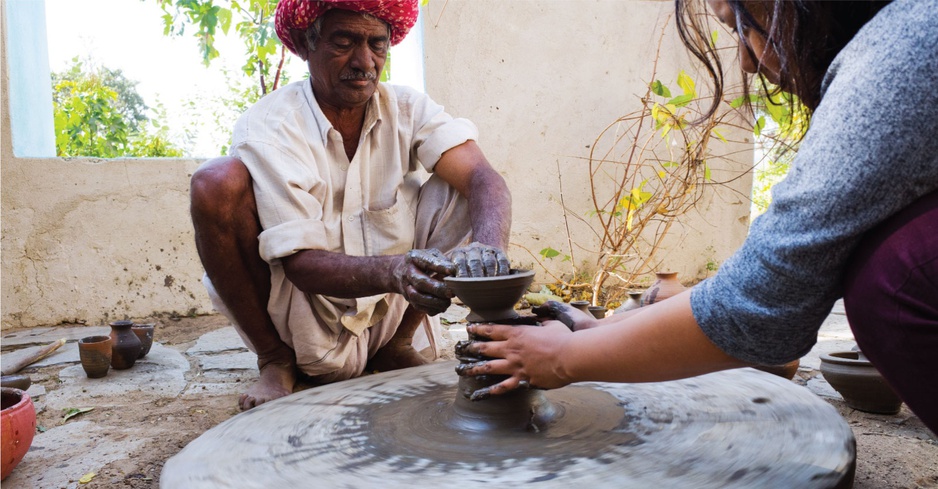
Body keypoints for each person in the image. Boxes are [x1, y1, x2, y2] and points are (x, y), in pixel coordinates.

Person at [457, 0, 938, 434]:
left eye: (742, 26)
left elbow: (767, 298)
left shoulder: (906, 51)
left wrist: (564, 359)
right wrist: (596, 331)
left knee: (896, 275)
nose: (748, 60)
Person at [190, 0, 512, 411]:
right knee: (216, 182)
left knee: (464, 188)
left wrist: (488, 249)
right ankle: (274, 359)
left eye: (377, 45)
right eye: (344, 42)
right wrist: (397, 271)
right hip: (306, 324)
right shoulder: (272, 125)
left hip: (390, 313)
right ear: (309, 44)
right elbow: (301, 264)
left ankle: (394, 346)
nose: (364, 62)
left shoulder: (408, 108)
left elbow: (483, 178)